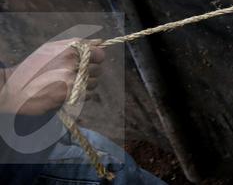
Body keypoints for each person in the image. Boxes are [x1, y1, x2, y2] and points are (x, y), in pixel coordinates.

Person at [1, 38, 164, 184]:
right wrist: (8, 86)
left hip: (27, 127)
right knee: (114, 173)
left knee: (108, 155)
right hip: (20, 170)